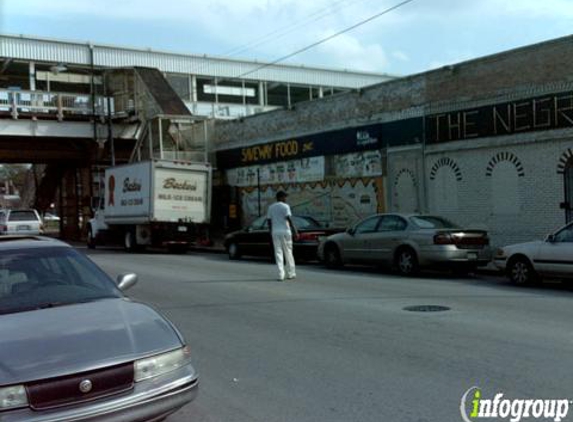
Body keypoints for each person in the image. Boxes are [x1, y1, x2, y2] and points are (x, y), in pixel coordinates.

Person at [267, 191, 298, 281]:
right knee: (288, 252)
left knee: (278, 253)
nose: (285, 199)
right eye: (284, 197)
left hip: (275, 232)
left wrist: (270, 231)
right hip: (285, 231)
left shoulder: (271, 207)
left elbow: (269, 220)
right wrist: (295, 231)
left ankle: (281, 274)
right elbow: (289, 219)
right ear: (280, 197)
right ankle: (291, 273)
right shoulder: (285, 206)